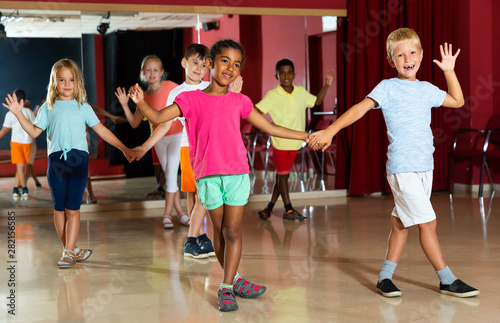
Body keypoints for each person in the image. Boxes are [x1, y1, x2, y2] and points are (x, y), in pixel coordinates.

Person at [128, 39, 310, 312]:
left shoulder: (240, 101)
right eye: (225, 61)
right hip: (208, 177)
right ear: (210, 64)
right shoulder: (188, 98)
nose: (231, 68)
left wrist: (308, 136)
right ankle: (234, 280)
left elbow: (271, 129)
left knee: (233, 231)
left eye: (236, 64)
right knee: (220, 233)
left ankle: (225, 287)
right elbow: (157, 117)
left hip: (237, 174)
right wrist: (141, 103)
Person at [308, 28, 479, 298]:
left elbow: (457, 101)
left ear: (421, 56)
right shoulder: (387, 87)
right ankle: (447, 279)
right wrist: (330, 131)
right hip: (401, 168)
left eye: (412, 52)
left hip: (425, 167)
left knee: (401, 223)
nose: (407, 58)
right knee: (428, 223)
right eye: (400, 55)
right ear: (391, 61)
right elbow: (359, 109)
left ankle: (385, 277)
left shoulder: (426, 89)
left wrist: (449, 70)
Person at [3, 58, 135, 269]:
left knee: (73, 209)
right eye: (62, 79)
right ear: (54, 82)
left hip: (79, 161)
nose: (66, 84)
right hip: (56, 163)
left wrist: (124, 148)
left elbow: (103, 131)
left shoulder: (83, 107)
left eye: (71, 79)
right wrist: (18, 114)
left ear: (78, 82)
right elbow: (35, 132)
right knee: (59, 209)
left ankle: (68, 252)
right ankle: (70, 250)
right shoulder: (48, 107)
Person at [133, 44, 242, 259]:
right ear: (184, 63)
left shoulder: (210, 87)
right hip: (189, 149)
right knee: (195, 195)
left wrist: (233, 93)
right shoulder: (178, 92)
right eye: (195, 63)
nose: (199, 68)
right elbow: (163, 123)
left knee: (201, 196)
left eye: (204, 64)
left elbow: (225, 114)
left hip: (210, 150)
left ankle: (198, 236)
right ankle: (195, 237)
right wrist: (145, 146)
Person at [256, 59, 334, 222]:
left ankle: (269, 208)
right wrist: (267, 127)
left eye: (289, 72)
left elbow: (317, 101)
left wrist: (327, 85)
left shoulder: (300, 92)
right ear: (276, 75)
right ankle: (288, 209)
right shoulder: (272, 95)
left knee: (281, 177)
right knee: (283, 177)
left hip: (297, 142)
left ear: (294, 74)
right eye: (282, 73)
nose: (286, 76)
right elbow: (256, 110)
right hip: (281, 143)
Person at [115, 55, 188, 228]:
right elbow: (134, 123)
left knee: (170, 176)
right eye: (148, 70)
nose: (152, 73)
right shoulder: (142, 96)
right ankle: (181, 213)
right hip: (158, 140)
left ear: (162, 72)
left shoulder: (172, 87)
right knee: (170, 177)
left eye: (156, 70)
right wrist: (125, 104)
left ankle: (167, 215)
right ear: (142, 73)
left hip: (178, 136)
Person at [0, 89, 35, 198]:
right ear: (24, 100)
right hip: (28, 142)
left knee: (19, 167)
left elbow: (4, 130)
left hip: (16, 142)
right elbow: (34, 127)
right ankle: (16, 188)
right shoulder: (29, 112)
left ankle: (24, 188)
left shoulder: (11, 113)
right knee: (21, 166)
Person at [23, 100, 42, 189]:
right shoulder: (30, 114)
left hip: (29, 144)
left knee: (28, 164)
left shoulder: (29, 115)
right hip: (28, 144)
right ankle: (36, 181)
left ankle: (24, 182)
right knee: (28, 164)